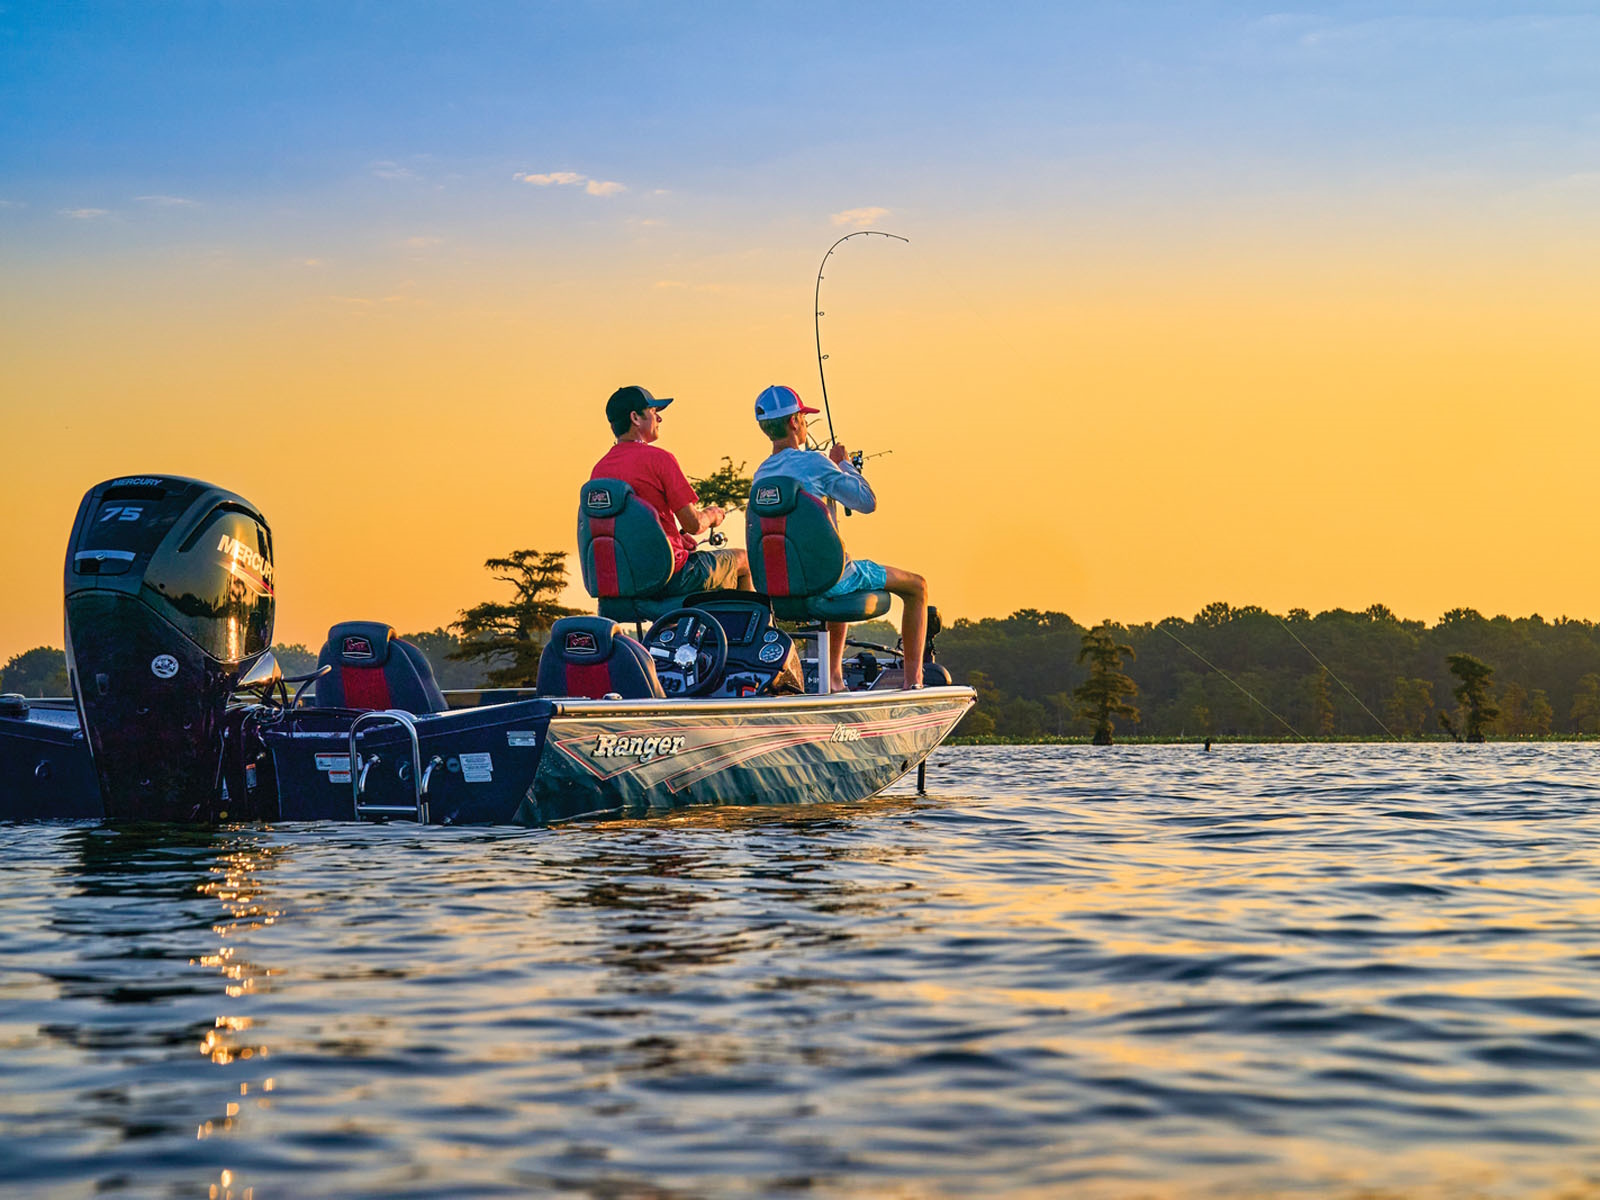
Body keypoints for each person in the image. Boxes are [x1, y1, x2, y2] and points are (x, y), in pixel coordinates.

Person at [751, 384, 928, 691]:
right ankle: (915, 681)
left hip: (781, 584)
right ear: (794, 422)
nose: (805, 423)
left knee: (835, 566)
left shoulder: (761, 474)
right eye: (804, 418)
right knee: (917, 586)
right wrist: (844, 464)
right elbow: (866, 502)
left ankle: (834, 676)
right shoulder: (816, 462)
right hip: (829, 579)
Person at [590, 385, 752, 595]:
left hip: (622, 578)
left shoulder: (599, 470)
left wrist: (673, 539)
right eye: (653, 412)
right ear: (635, 418)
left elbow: (627, 529)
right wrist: (712, 515)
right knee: (744, 561)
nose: (659, 419)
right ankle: (754, 618)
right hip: (672, 576)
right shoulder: (660, 460)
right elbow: (694, 524)